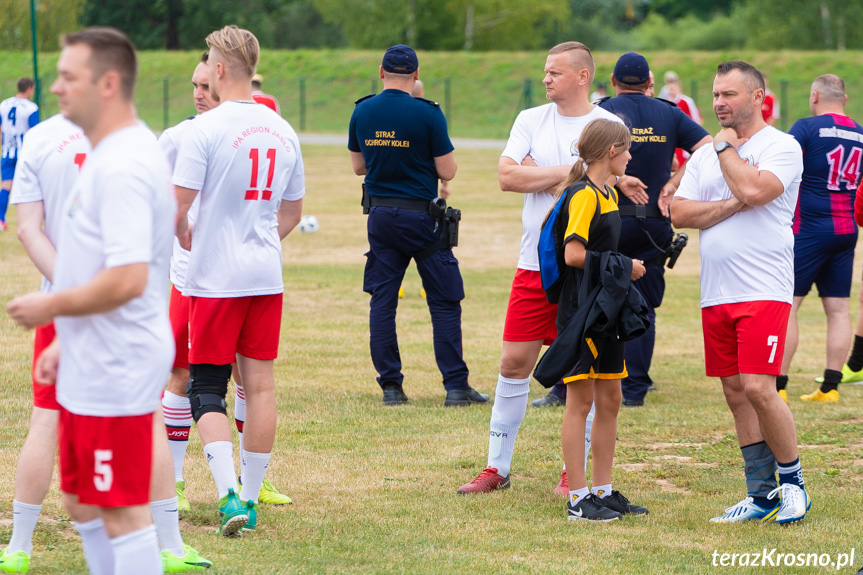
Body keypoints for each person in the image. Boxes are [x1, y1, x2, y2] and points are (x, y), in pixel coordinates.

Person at [6, 27, 179, 573]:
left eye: (67, 77)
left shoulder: (126, 161)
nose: (55, 88)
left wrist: (53, 309)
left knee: (118, 510)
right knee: (81, 500)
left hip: (119, 358)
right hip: (92, 347)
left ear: (107, 83)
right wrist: (71, 339)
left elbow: (127, 279)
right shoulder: (104, 153)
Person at [457, 41, 628, 495]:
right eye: (545, 71)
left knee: (585, 373)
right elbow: (507, 177)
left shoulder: (609, 125)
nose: (547, 78)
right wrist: (572, 171)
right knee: (513, 361)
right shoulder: (530, 118)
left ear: (582, 76)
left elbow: (611, 183)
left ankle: (572, 474)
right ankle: (497, 468)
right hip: (535, 263)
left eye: (556, 72)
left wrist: (544, 172)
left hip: (584, 272)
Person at [173, 25, 305, 537]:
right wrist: (259, 241)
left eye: (208, 61)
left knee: (205, 386)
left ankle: (230, 496)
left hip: (215, 279)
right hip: (264, 274)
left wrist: (188, 237)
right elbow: (291, 213)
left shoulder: (203, 130)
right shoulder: (283, 129)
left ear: (221, 69)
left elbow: (177, 208)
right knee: (260, 384)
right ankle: (252, 496)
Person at [672, 60, 810, 524]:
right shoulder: (707, 152)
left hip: (764, 287)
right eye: (715, 95)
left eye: (728, 95)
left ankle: (793, 485)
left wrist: (727, 152)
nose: (718, 104)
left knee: (759, 387)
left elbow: (758, 188)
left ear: (757, 97)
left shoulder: (782, 146)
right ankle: (760, 493)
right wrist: (733, 202)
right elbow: (679, 213)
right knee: (735, 391)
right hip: (717, 291)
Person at [536, 53, 711, 408]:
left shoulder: (602, 111)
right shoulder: (670, 112)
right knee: (640, 301)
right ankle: (634, 386)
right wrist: (674, 183)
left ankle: (567, 386)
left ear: (613, 80)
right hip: (651, 220)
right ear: (650, 82)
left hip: (607, 217)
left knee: (588, 298)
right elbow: (707, 147)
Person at [348, 44, 486, 407]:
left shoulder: (362, 111)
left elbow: (358, 167)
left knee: (383, 302)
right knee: (443, 301)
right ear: (416, 73)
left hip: (380, 217)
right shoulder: (429, 114)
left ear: (381, 71)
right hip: (422, 219)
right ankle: (456, 387)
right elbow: (448, 170)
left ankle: (391, 387)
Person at [554, 118, 648, 521]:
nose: (629, 157)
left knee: (611, 398)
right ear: (611, 152)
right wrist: (625, 266)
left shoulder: (607, 192)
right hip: (584, 311)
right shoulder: (585, 196)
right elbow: (573, 255)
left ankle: (604, 491)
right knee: (581, 401)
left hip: (607, 308)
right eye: (626, 150)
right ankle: (578, 498)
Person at [778, 74, 863, 403]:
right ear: (844, 99)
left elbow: (779, 165)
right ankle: (829, 388)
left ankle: (779, 386)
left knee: (788, 306)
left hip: (809, 229)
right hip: (845, 231)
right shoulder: (859, 132)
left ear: (815, 95)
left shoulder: (806, 128)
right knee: (839, 311)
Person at [0, 78, 39, 231]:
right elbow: (34, 132)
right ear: (29, 89)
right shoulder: (31, 108)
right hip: (25, 152)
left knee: (6, 185)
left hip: (7, 151)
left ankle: (1, 220)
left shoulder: (4, 104)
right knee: (31, 185)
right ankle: (32, 221)